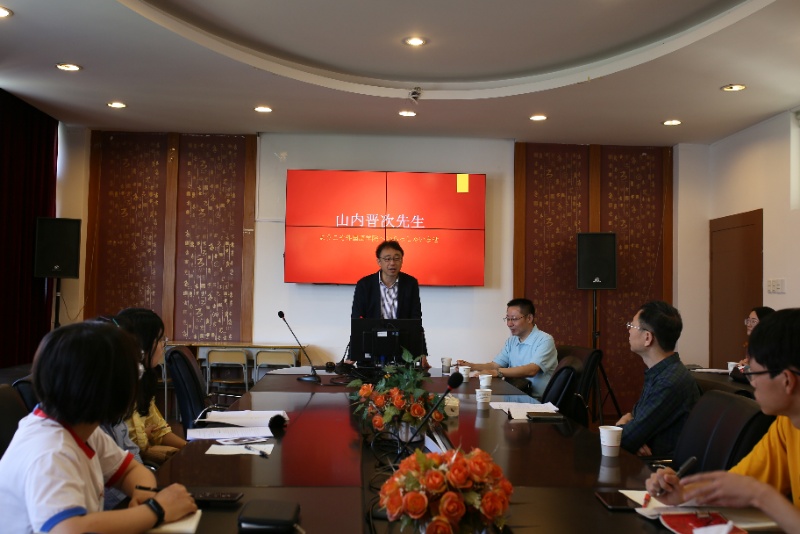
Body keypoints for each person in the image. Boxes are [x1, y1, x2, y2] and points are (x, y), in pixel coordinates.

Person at [0, 321, 196, 533]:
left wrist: (144, 494)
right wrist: (156, 510)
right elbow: (68, 529)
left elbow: (130, 470)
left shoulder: (84, 430)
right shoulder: (51, 452)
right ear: (114, 389)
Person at [646, 309, 800, 532]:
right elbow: (738, 484)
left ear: (787, 380)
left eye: (754, 373)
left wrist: (760, 495)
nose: (752, 383)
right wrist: (684, 492)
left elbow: (753, 490)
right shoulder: (787, 425)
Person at [616, 300, 700, 457]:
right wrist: (628, 428)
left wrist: (622, 424)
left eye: (632, 325)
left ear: (647, 337)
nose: (629, 330)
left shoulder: (669, 382)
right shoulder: (661, 371)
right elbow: (633, 419)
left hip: (659, 467)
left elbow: (625, 438)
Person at [115, 307, 187, 465]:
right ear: (141, 344)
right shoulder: (120, 386)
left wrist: (190, 449)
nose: (163, 346)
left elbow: (159, 430)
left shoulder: (144, 379)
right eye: (159, 340)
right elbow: (135, 443)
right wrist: (144, 437)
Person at [457, 298, 557, 400]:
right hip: (514, 395)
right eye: (508, 319)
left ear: (529, 318)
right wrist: (471, 366)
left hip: (536, 400)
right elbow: (495, 365)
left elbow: (532, 370)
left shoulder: (545, 340)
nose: (509, 324)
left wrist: (498, 372)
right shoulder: (511, 341)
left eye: (514, 319)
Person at [350, 240, 427, 363]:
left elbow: (416, 320)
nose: (392, 263)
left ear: (402, 260)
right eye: (387, 259)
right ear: (379, 261)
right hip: (372, 348)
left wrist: (421, 353)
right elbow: (357, 321)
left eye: (397, 258)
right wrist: (353, 354)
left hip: (402, 350)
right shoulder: (364, 285)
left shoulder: (410, 284)